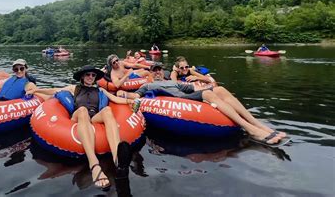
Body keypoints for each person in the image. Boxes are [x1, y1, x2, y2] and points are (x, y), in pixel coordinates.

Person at [27, 65, 134, 190]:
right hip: (78, 116)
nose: (90, 77)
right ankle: (94, 165)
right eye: (88, 74)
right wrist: (36, 91)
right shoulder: (75, 88)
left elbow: (115, 99)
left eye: (93, 75)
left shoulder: (100, 90)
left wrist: (129, 101)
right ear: (82, 76)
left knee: (107, 110)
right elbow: (55, 90)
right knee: (83, 110)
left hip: (93, 117)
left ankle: (118, 160)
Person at [117, 73, 288, 147]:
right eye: (155, 71)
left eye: (160, 70)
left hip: (188, 96)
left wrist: (203, 81)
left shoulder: (173, 82)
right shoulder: (148, 85)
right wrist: (123, 94)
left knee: (219, 90)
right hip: (178, 102)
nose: (159, 72)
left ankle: (260, 125)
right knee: (208, 94)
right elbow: (137, 96)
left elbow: (191, 89)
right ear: (151, 75)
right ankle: (252, 130)